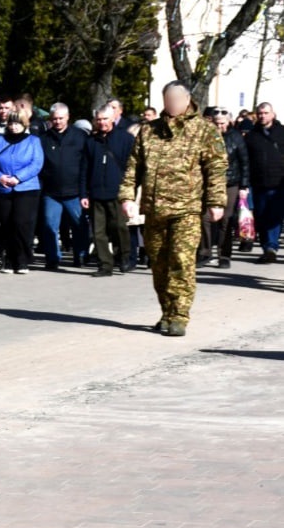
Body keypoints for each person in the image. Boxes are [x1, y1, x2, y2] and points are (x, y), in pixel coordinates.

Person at [120, 81, 227, 337]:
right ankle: (167, 311)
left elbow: (217, 168)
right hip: (155, 209)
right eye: (168, 100)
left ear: (187, 100)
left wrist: (216, 201)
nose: (172, 105)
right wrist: (126, 197)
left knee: (181, 261)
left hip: (187, 209)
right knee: (158, 263)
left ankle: (179, 315)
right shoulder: (149, 131)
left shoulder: (204, 130)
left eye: (177, 100)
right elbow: (133, 166)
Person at [0, 109, 44, 273]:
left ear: (24, 124)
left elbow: (36, 164)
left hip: (26, 188)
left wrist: (18, 177)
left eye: (17, 123)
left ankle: (23, 259)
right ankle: (9, 260)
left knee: (21, 224)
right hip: (3, 189)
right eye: (11, 123)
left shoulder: (33, 141)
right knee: (7, 224)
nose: (14, 126)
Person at [82, 103, 134, 277]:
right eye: (99, 119)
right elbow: (85, 168)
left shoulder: (125, 139)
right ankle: (105, 264)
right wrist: (84, 193)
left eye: (105, 119)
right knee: (98, 232)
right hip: (96, 192)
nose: (102, 122)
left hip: (117, 192)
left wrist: (130, 191)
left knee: (119, 226)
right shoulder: (91, 141)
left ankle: (124, 256)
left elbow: (132, 166)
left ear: (112, 118)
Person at [39, 102, 89, 271]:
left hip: (74, 191)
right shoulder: (44, 139)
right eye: (54, 119)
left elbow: (85, 164)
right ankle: (52, 258)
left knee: (79, 225)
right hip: (51, 192)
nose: (58, 122)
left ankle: (80, 255)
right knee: (49, 226)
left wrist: (84, 192)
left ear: (68, 117)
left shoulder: (80, 137)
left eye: (61, 118)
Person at [199, 109, 249, 268]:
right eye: (216, 123)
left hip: (230, 183)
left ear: (229, 122)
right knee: (205, 218)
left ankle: (224, 255)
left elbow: (244, 163)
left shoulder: (235, 138)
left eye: (222, 123)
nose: (219, 126)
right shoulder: (206, 138)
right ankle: (205, 252)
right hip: (209, 183)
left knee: (226, 219)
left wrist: (244, 185)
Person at [244, 102, 284, 263]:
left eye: (266, 113)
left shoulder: (281, 133)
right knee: (260, 217)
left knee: (274, 215)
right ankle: (266, 246)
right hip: (258, 183)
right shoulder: (252, 136)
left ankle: (271, 247)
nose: (262, 116)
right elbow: (245, 160)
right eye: (260, 113)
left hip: (279, 184)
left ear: (272, 114)